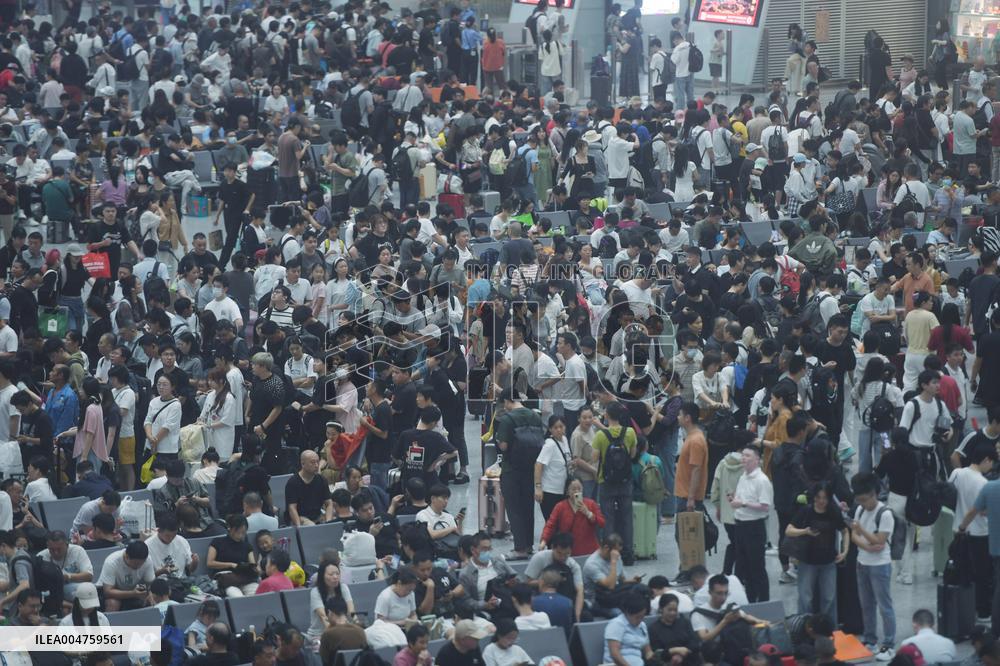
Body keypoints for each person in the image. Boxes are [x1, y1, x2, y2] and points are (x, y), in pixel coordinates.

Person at [785, 481, 848, 620]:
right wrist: (805, 531)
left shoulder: (833, 512)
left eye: (824, 498)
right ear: (814, 497)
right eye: (818, 497)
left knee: (829, 599)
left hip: (828, 561)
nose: (821, 501)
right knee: (805, 599)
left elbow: (844, 531)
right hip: (807, 561)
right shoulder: (806, 511)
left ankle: (829, 630)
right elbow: (789, 530)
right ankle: (803, 627)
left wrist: (844, 552)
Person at [850, 472, 896, 661]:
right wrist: (868, 546)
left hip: (880, 566)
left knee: (884, 606)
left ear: (873, 494)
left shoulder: (885, 514)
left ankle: (889, 644)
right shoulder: (859, 510)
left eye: (864, 500)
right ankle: (870, 640)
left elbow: (880, 542)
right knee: (866, 605)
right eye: (858, 500)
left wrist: (863, 533)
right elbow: (853, 537)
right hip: (862, 563)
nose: (861, 504)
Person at [495, 389, 546, 559]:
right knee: (527, 508)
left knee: (514, 508)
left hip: (512, 469)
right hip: (531, 468)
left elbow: (503, 446)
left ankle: (520, 548)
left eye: (504, 404)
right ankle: (529, 545)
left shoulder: (507, 420)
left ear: (508, 400)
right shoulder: (535, 416)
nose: (504, 408)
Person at [592, 401, 638, 565]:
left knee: (608, 518)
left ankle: (609, 553)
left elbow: (595, 458)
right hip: (625, 480)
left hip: (606, 481)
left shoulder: (600, 435)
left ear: (606, 415)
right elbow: (632, 455)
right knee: (626, 517)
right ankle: (628, 553)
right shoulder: (630, 432)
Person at [730, 446, 773, 603]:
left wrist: (743, 503)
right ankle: (749, 600)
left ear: (757, 460)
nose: (744, 459)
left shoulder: (762, 480)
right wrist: (735, 500)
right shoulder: (743, 477)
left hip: (754, 527)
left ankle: (764, 602)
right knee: (743, 566)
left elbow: (765, 506)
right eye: (743, 456)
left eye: (748, 456)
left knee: (757, 568)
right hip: (740, 525)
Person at [539, 477, 604, 555]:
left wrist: (588, 513)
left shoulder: (591, 504)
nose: (576, 491)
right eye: (573, 489)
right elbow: (550, 525)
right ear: (567, 492)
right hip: (567, 552)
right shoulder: (560, 506)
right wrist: (543, 541)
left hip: (590, 552)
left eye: (579, 489)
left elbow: (602, 523)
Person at [97, 540, 155, 611]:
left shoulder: (147, 560)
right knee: (112, 603)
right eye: (136, 564)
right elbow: (108, 592)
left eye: (141, 564)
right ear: (127, 557)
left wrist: (150, 593)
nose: (139, 567)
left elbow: (150, 584)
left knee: (153, 598)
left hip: (135, 592)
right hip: (115, 593)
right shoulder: (112, 562)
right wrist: (132, 593)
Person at [649, 593, 700, 660]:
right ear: (661, 609)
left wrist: (684, 651)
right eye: (669, 610)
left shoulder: (684, 622)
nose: (673, 613)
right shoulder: (653, 629)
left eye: (675, 610)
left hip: (689, 658)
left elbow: (695, 642)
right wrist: (674, 651)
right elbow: (657, 652)